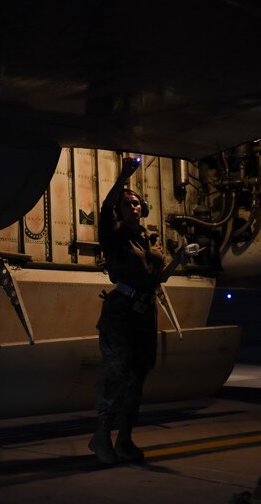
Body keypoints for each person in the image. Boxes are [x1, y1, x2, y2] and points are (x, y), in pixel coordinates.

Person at [89, 154, 183, 465]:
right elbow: (104, 210)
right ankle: (101, 438)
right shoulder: (115, 237)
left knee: (137, 378)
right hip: (121, 314)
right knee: (116, 376)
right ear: (119, 209)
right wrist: (122, 177)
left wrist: (180, 258)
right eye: (128, 203)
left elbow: (157, 278)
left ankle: (124, 439)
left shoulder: (149, 239)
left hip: (145, 313)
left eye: (138, 203)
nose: (135, 206)